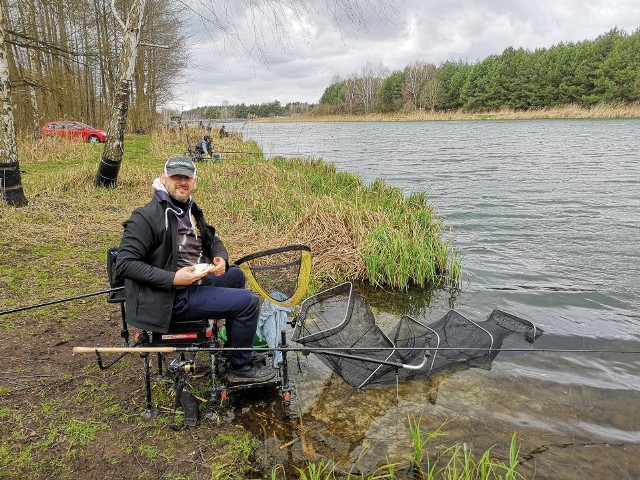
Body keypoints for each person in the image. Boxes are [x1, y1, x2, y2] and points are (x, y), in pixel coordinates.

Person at [115, 156, 275, 384]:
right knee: (249, 302)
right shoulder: (146, 217)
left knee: (235, 275)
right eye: (176, 176)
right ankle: (240, 368)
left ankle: (234, 349)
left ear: (194, 181)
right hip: (170, 299)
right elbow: (125, 263)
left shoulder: (189, 209)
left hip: (194, 283)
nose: (182, 182)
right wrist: (172, 279)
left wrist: (221, 258)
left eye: (187, 177)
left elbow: (212, 239)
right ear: (163, 178)